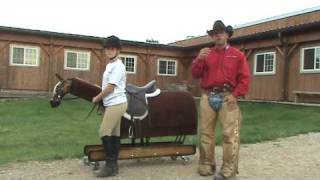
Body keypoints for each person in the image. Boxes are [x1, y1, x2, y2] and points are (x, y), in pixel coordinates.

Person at [191, 20, 250, 180]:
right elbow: (195, 74)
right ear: (212, 36)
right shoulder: (206, 54)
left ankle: (229, 168)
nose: (218, 35)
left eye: (221, 32)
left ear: (227, 34)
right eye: (215, 33)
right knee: (206, 133)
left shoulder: (238, 55)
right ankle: (207, 164)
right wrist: (199, 60)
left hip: (227, 97)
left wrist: (235, 95)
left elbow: (244, 78)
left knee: (229, 135)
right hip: (207, 96)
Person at [92, 35, 127, 177]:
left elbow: (111, 87)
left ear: (117, 50)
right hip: (113, 103)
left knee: (103, 131)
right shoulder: (109, 65)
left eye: (112, 48)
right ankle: (114, 166)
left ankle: (109, 166)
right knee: (114, 134)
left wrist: (97, 98)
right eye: (107, 48)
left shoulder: (118, 66)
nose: (109, 51)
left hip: (116, 103)